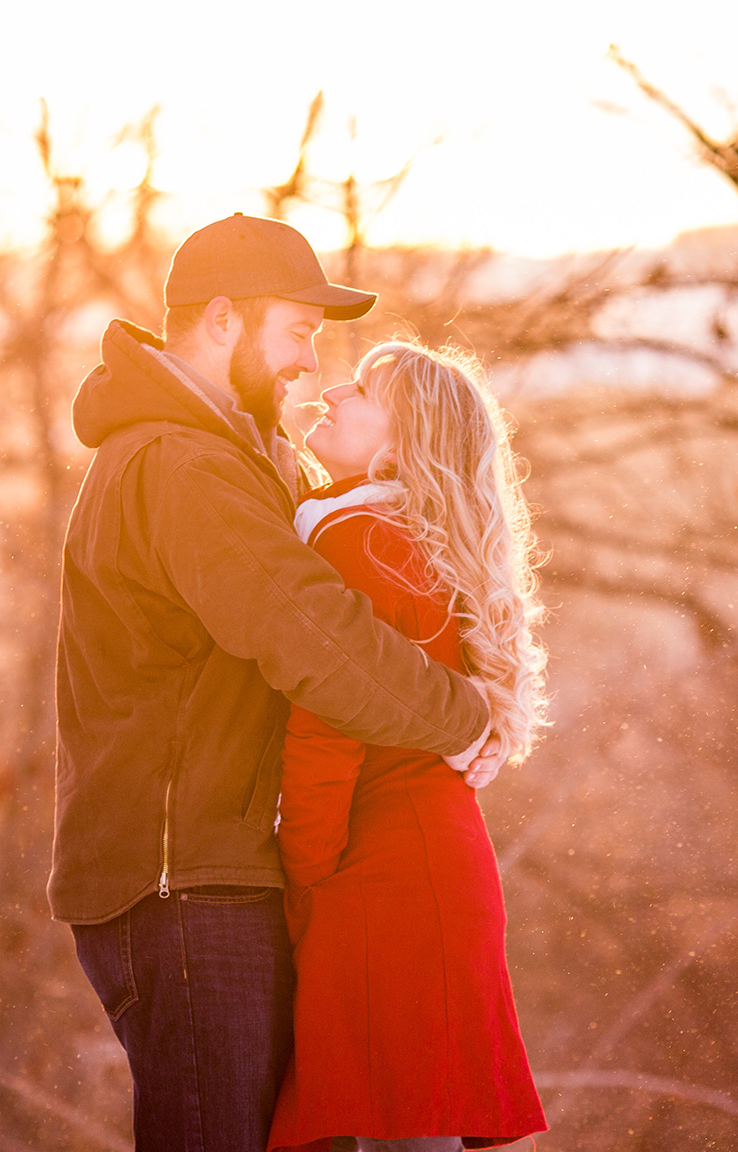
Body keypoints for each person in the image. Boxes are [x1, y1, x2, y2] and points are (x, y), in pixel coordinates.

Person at [52, 215, 505, 1152]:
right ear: (222, 321)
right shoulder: (180, 466)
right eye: (296, 333)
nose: (308, 363)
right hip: (184, 887)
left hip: (215, 875)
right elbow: (316, 636)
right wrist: (463, 715)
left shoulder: (236, 450)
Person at [268, 342, 549, 1152]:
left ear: (401, 442)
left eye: (361, 391)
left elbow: (334, 714)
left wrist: (303, 867)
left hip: (384, 869)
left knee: (378, 1123)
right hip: (424, 861)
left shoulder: (362, 539)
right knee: (426, 1121)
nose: (333, 390)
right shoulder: (389, 531)